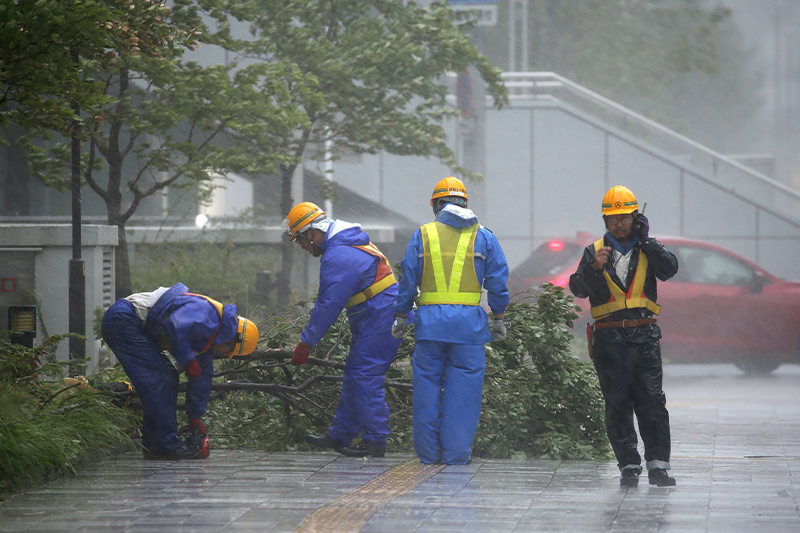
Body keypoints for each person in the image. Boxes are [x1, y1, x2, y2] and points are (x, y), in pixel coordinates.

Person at [392, 177, 509, 465]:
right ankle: (456, 455)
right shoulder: (484, 237)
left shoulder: (423, 234)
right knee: (464, 395)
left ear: (435, 205)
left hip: (429, 326)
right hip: (468, 329)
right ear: (465, 203)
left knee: (426, 392)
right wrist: (499, 316)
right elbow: (497, 281)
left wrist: (400, 313)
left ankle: (429, 456)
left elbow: (408, 279)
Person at [568, 185, 679, 487]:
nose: (619, 224)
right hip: (609, 340)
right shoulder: (594, 251)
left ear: (635, 217)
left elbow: (670, 269)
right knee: (617, 403)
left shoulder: (647, 248)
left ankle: (659, 465)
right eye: (613, 218)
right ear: (605, 220)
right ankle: (629, 464)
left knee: (652, 401)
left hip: (644, 336)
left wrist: (648, 242)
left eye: (625, 218)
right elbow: (577, 288)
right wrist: (594, 268)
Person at [283, 201, 405, 458]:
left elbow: (328, 305)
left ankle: (375, 441)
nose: (303, 247)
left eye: (300, 241)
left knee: (364, 374)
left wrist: (305, 343)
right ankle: (341, 434)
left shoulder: (339, 256)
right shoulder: (344, 245)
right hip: (378, 314)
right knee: (355, 372)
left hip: (380, 316)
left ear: (311, 233)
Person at [101, 283, 259, 460]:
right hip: (124, 320)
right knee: (159, 380)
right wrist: (188, 359)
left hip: (134, 324)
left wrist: (195, 417)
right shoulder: (206, 314)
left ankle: (156, 445)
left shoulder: (210, 340)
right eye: (228, 351)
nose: (224, 354)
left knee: (168, 376)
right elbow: (174, 325)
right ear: (231, 339)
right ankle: (163, 446)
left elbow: (201, 380)